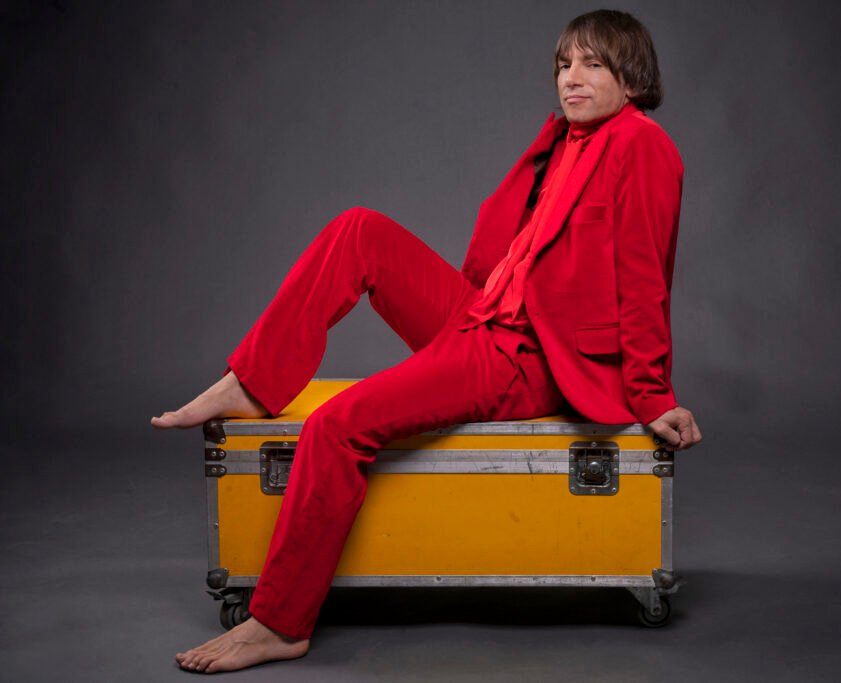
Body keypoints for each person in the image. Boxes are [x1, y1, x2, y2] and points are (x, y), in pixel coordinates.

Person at [156, 9, 702, 674]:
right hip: (484, 316)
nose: (571, 78)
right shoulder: (565, 140)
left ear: (632, 76)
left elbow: (644, 280)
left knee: (334, 426)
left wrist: (651, 394)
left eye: (591, 64)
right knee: (359, 230)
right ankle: (251, 382)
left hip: (525, 357)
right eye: (564, 65)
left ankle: (278, 621)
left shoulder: (642, 144)